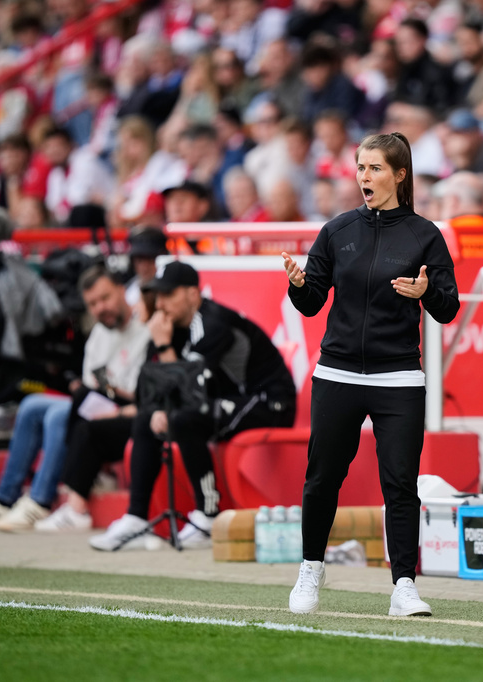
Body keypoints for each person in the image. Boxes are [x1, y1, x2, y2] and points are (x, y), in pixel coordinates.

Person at [281, 132, 459, 617]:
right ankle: (310, 571)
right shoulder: (338, 230)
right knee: (322, 480)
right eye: (360, 168)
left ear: (400, 175)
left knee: (400, 485)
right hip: (336, 372)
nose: (365, 176)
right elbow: (313, 301)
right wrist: (299, 285)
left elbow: (448, 309)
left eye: (375, 168)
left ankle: (404, 586)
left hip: (399, 377)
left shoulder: (425, 235)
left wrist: (425, 291)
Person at [89, 262, 296, 551]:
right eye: (157, 296)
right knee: (146, 419)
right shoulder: (172, 324)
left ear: (192, 294)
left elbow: (189, 389)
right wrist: (158, 399)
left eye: (168, 295)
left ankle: (208, 517)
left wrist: (162, 345)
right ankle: (137, 518)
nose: (160, 304)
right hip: (226, 402)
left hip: (269, 403)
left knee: (185, 419)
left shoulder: (214, 324)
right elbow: (148, 387)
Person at [0, 266, 151, 531]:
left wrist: (110, 401)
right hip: (96, 404)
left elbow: (144, 395)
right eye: (92, 304)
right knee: (32, 405)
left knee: (59, 414)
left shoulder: (146, 329)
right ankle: (4, 496)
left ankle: (39, 501)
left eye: (105, 298)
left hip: (127, 411)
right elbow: (91, 387)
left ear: (121, 291)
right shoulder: (98, 336)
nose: (100, 308)